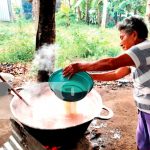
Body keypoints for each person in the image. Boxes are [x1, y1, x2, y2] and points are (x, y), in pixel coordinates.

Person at [63, 16, 150, 150]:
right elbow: (116, 74)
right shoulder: (137, 56)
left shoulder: (143, 48)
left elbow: (111, 63)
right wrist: (88, 77)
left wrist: (81, 66)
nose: (120, 43)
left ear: (134, 34)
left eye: (122, 37)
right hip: (144, 110)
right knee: (143, 145)